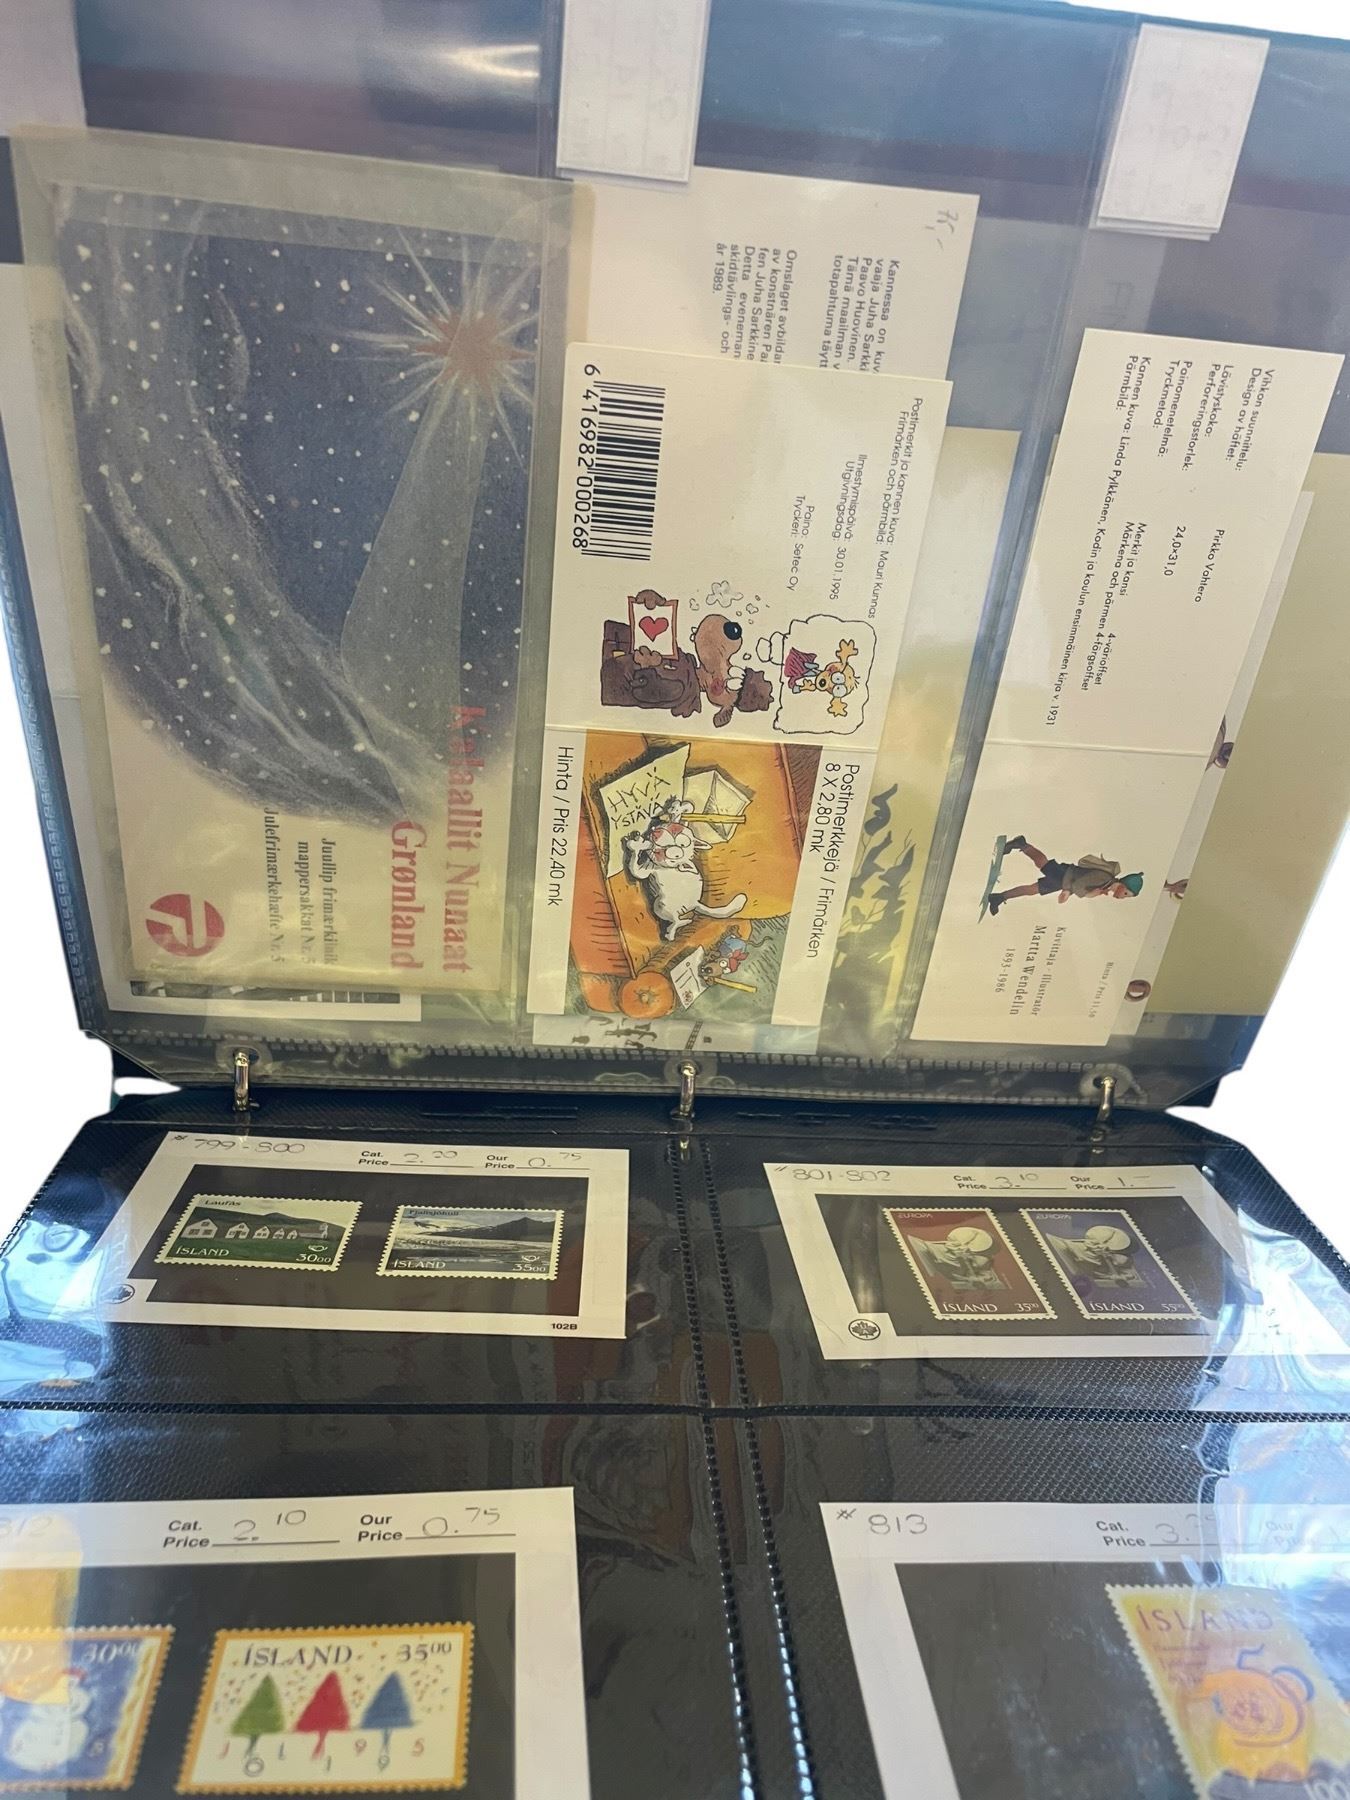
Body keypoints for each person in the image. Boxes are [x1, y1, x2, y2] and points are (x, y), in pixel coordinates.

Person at [987, 836, 1143, 916]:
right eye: (1126, 893)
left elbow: (1082, 888)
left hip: (1063, 881)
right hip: (1065, 875)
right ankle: (1021, 844)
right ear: (1123, 886)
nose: (1123, 897)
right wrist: (1068, 891)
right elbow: (1079, 884)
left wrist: (1092, 893)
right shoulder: (1104, 878)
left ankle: (999, 897)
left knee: (1033, 889)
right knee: (1041, 864)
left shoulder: (1105, 885)